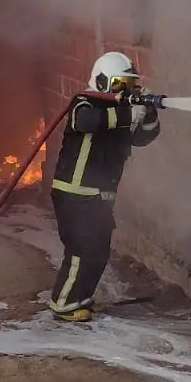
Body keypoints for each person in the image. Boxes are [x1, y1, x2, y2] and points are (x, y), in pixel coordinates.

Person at [47, 51, 161, 323]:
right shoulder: (83, 103)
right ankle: (63, 303)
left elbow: (145, 137)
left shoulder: (120, 114)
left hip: (98, 197)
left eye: (130, 84)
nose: (126, 90)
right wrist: (127, 112)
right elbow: (88, 122)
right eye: (120, 83)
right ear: (101, 81)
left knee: (97, 251)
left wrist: (147, 110)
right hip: (74, 194)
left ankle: (81, 299)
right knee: (81, 250)